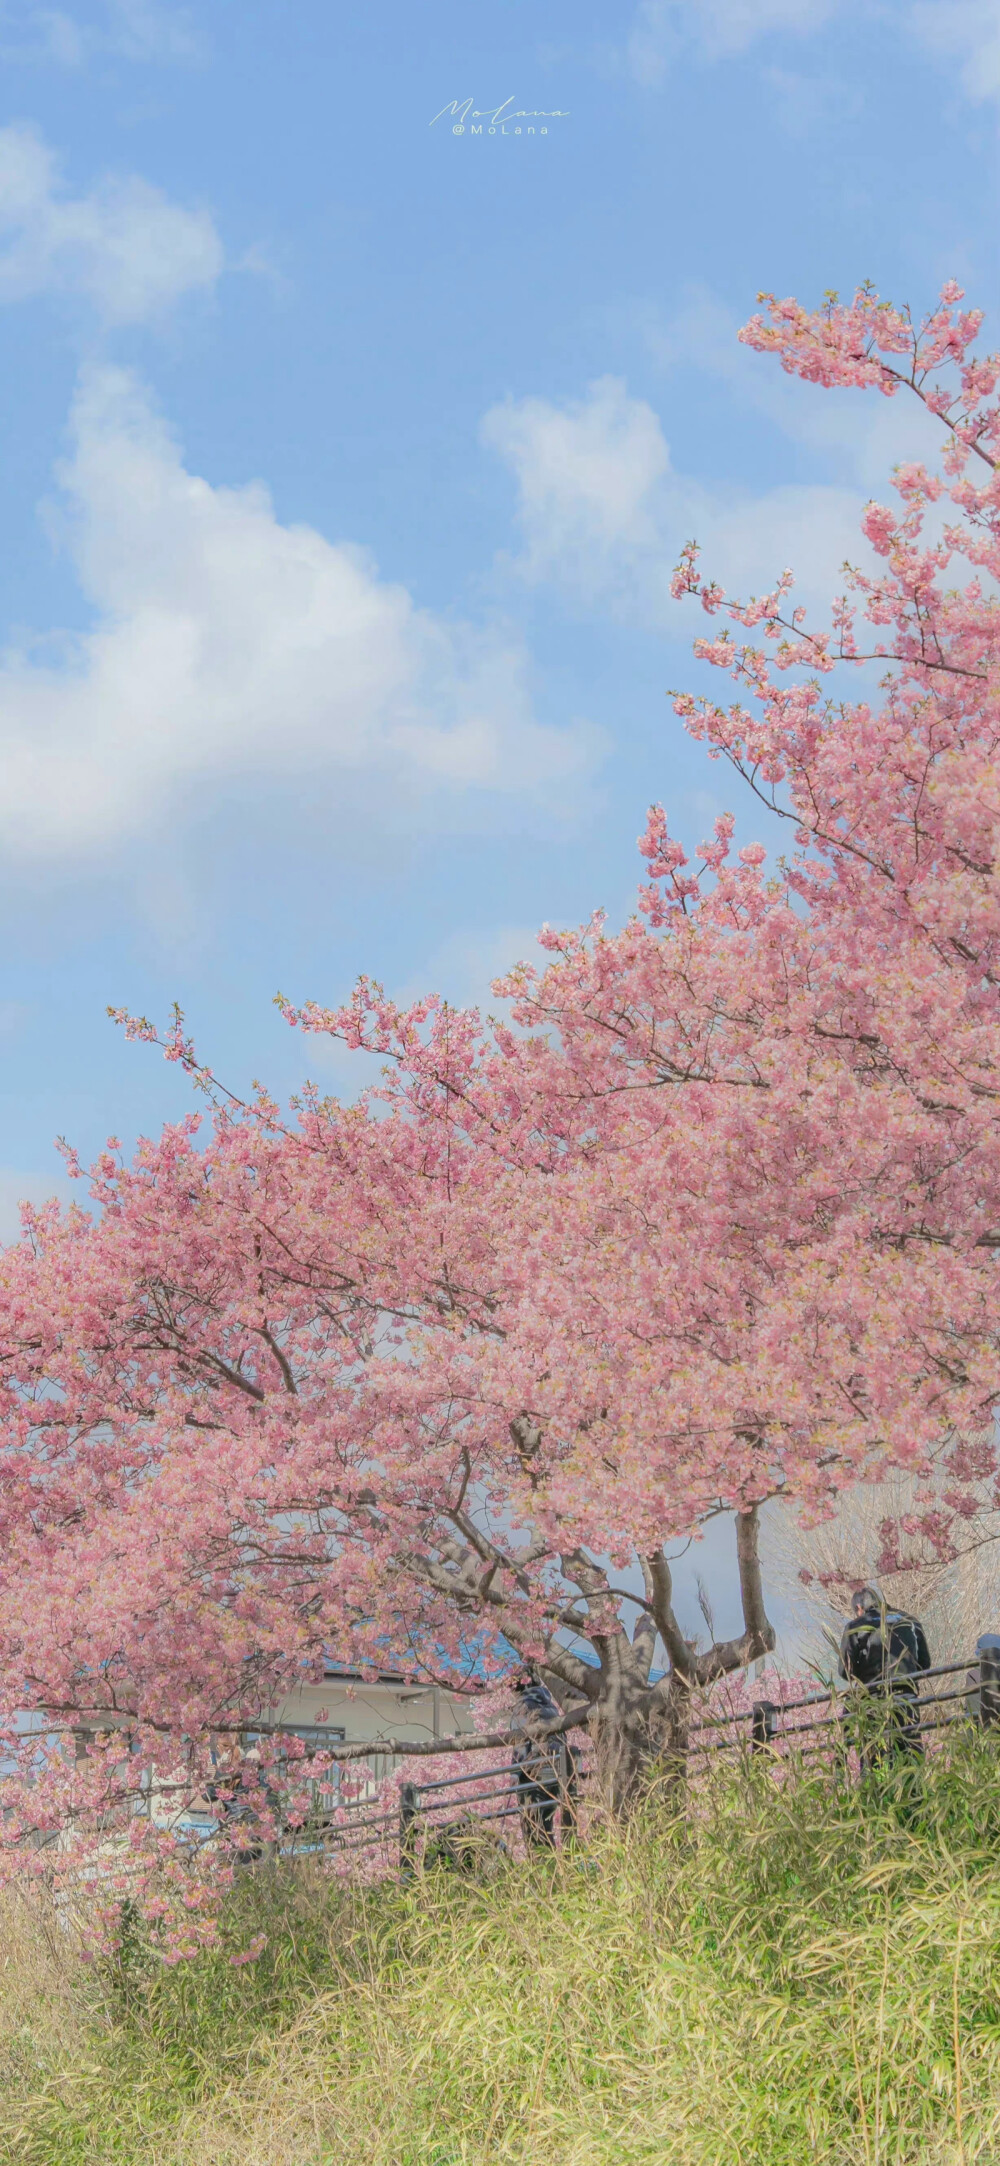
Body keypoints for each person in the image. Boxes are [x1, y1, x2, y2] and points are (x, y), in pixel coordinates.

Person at [839, 1585, 931, 1769]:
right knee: (910, 1751)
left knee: (874, 1757)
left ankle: (876, 1792)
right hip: (907, 1697)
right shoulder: (909, 1620)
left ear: (859, 1609)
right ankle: (915, 1793)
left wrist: (865, 1676)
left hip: (873, 1700)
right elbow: (924, 1663)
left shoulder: (855, 1626)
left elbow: (845, 1670)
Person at [511, 1671, 578, 1846]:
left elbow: (521, 1741)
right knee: (546, 1825)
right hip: (557, 1771)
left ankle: (545, 1870)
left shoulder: (524, 1706)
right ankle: (556, 1867)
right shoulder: (551, 1707)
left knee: (534, 1829)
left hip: (535, 1773)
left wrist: (515, 1773)